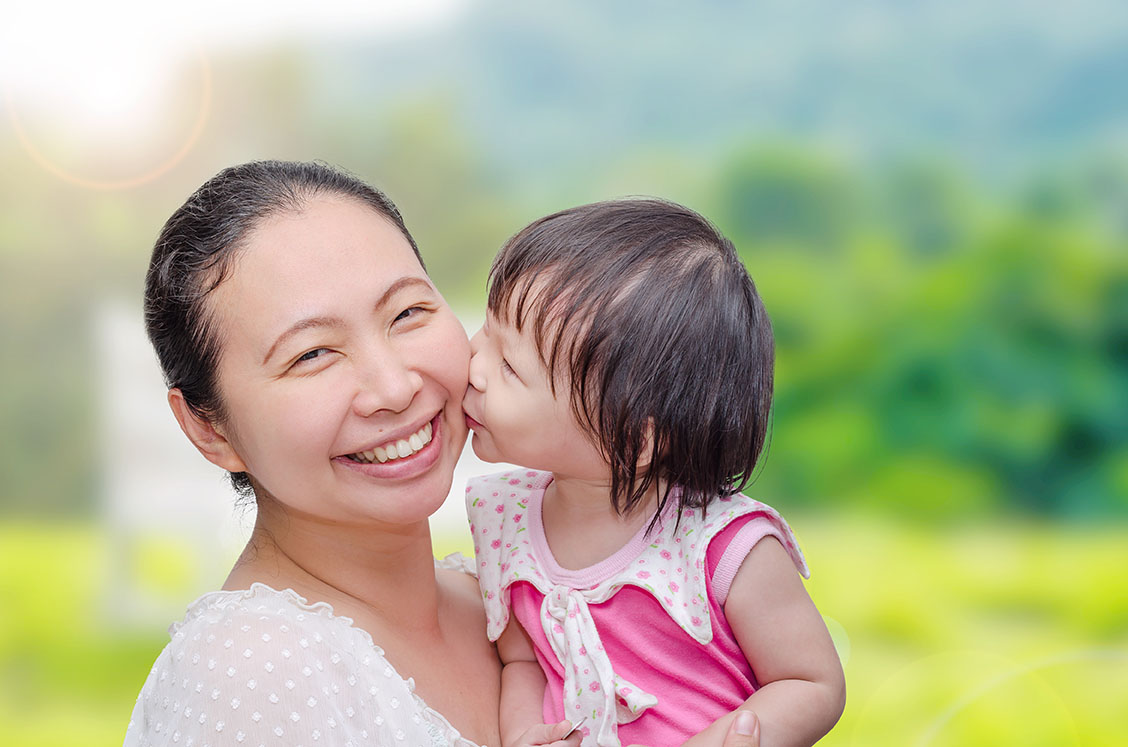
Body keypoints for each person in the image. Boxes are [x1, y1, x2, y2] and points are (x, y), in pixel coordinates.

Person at [124, 160, 766, 747]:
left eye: (406, 312)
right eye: (311, 353)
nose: (394, 386)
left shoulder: (519, 596)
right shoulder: (249, 672)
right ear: (210, 429)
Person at [463, 199, 846, 747]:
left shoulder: (722, 547)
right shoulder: (506, 519)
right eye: (485, 331)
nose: (473, 367)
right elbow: (523, 658)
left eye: (508, 366)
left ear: (634, 438)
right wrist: (525, 731)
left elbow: (812, 681)